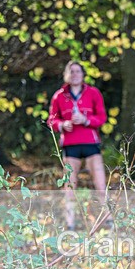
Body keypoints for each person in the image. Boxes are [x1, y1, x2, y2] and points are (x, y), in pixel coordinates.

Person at [47, 60, 109, 230]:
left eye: (78, 71)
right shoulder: (59, 95)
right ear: (67, 75)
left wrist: (86, 120)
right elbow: (51, 120)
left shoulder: (93, 93)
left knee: (100, 182)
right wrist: (62, 124)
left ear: (83, 75)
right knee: (70, 183)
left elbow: (102, 118)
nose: (74, 74)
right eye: (71, 71)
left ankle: (107, 217)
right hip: (70, 143)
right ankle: (70, 221)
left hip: (90, 142)